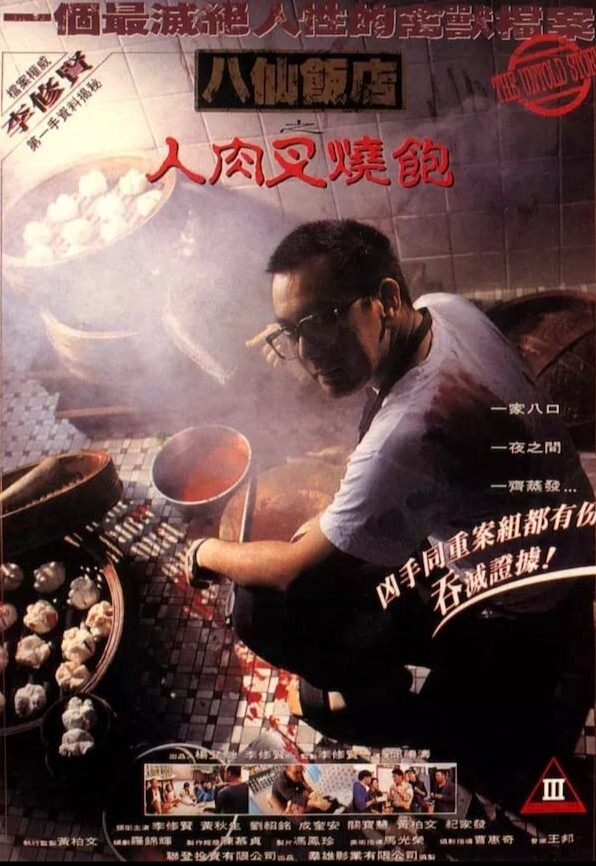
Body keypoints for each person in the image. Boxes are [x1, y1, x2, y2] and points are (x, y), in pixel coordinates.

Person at [186, 220, 595, 808]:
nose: (307, 352)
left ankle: (388, 700)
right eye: (291, 332)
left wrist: (205, 552)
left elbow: (291, 570)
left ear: (384, 298)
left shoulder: (404, 437)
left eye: (323, 320)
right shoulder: (444, 310)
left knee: (261, 605)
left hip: (516, 611)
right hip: (565, 543)